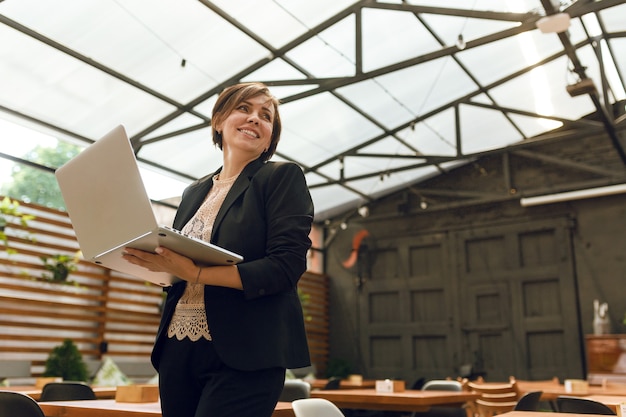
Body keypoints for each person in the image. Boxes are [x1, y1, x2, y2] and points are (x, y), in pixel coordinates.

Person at [122, 82, 314, 417]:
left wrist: (196, 273)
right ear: (218, 121)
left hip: (247, 351)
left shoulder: (282, 178)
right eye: (244, 109)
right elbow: (180, 272)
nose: (255, 119)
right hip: (177, 348)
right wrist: (158, 264)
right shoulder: (192, 193)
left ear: (270, 137)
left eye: (265, 116)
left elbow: (286, 267)